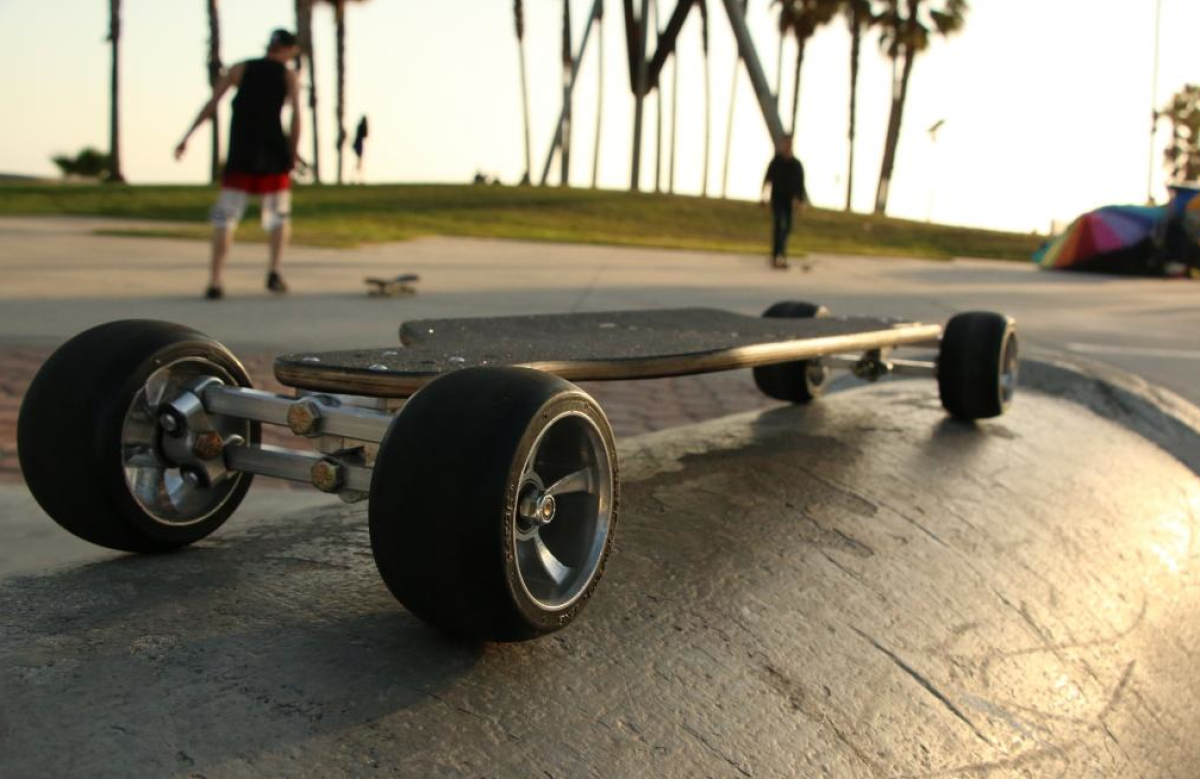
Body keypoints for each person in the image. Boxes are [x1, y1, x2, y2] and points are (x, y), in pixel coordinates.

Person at [175, 29, 302, 299]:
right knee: (278, 216)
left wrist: (187, 137)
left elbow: (212, 103)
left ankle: (215, 279)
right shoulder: (288, 75)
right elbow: (297, 117)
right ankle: (274, 270)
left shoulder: (240, 69)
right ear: (289, 49)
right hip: (273, 153)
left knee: (225, 218)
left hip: (241, 152)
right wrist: (292, 151)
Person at [761, 134, 807, 269]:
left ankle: (782, 254)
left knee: (787, 228)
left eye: (789, 143)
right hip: (777, 199)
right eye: (785, 143)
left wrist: (800, 201)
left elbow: (800, 185)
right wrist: (763, 197)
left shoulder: (796, 164)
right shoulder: (776, 162)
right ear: (782, 144)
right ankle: (776, 256)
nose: (787, 146)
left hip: (789, 201)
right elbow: (767, 180)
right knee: (778, 225)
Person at [352, 115, 369, 182]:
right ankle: (358, 178)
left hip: (358, 144)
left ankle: (357, 178)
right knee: (359, 162)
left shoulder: (359, 126)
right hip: (359, 144)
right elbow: (365, 135)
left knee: (359, 162)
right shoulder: (361, 127)